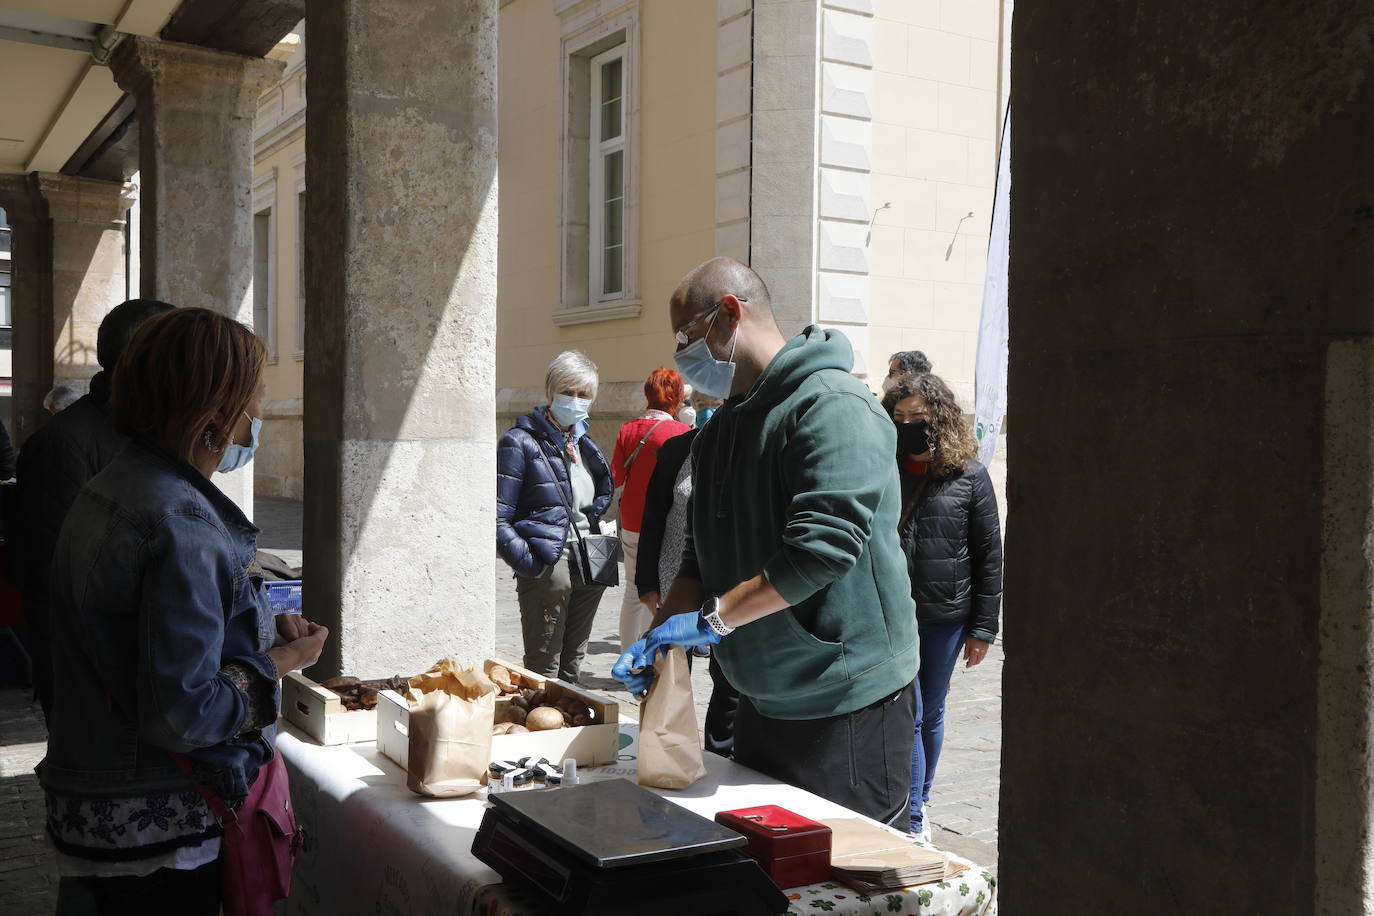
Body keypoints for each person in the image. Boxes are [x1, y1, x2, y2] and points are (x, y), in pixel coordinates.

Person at [39, 307, 329, 912]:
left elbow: (133, 638)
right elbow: (185, 712)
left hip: (100, 798)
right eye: (255, 404)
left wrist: (243, 633)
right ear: (214, 415)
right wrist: (277, 662)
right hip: (155, 826)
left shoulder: (117, 486)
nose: (258, 421)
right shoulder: (180, 521)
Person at [614, 257, 919, 828]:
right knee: (767, 867)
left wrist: (714, 621)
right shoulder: (720, 429)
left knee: (844, 876)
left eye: (686, 338)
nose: (682, 359)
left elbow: (821, 549)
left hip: (844, 700)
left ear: (729, 314)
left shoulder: (831, 405)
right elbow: (702, 554)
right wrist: (662, 636)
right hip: (759, 696)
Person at [15, 298, 175, 719]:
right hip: (95, 687)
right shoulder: (62, 445)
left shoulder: (150, 433)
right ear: (146, 361)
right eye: (179, 354)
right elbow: (61, 577)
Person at [882, 374, 1002, 840]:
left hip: (945, 616)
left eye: (919, 417)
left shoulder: (969, 476)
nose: (909, 425)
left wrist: (983, 628)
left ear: (940, 419)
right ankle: (913, 818)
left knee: (930, 711)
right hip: (891, 613)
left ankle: (923, 798)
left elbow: (989, 554)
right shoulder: (882, 467)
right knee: (908, 712)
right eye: (900, 417)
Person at [496, 350, 613, 683]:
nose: (576, 400)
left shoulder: (584, 444)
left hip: (589, 560)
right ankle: (542, 727)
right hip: (549, 563)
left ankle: (571, 727)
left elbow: (596, 498)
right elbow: (498, 516)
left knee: (573, 665)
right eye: (568, 392)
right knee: (544, 667)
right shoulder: (519, 442)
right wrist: (531, 562)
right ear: (551, 391)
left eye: (584, 395)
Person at [634, 425, 741, 756]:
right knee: (671, 668)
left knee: (728, 678)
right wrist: (647, 584)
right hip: (677, 575)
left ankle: (719, 753)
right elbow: (652, 518)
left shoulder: (749, 448)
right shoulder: (677, 449)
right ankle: (667, 749)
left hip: (734, 587)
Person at [610, 368, 692, 653]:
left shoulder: (628, 429)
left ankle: (626, 654)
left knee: (633, 592)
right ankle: (649, 652)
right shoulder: (683, 433)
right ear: (678, 397)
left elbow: (617, 478)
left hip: (633, 519)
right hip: (668, 522)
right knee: (662, 590)